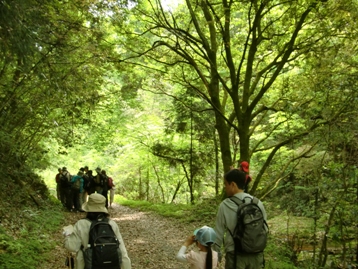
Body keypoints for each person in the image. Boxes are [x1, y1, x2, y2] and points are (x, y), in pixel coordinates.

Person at [213, 169, 267, 269]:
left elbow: (218, 233)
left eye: (226, 184)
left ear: (232, 184)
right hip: (257, 255)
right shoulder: (257, 203)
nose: (225, 188)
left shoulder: (225, 205)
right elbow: (265, 229)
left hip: (235, 256)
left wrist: (216, 256)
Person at [64, 193, 131, 269]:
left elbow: (72, 247)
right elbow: (122, 251)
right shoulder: (111, 224)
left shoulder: (81, 224)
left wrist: (67, 235)